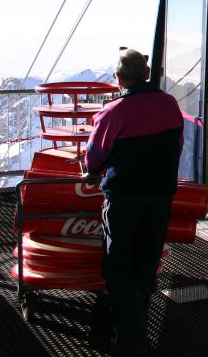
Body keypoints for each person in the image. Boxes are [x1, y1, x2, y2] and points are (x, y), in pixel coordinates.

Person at [84, 48, 183, 356]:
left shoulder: (113, 113)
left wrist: (90, 173)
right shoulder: (169, 105)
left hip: (125, 197)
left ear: (119, 78)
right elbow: (177, 146)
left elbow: (94, 157)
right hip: (160, 195)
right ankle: (137, 325)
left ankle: (131, 339)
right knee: (146, 260)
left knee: (119, 265)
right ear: (146, 73)